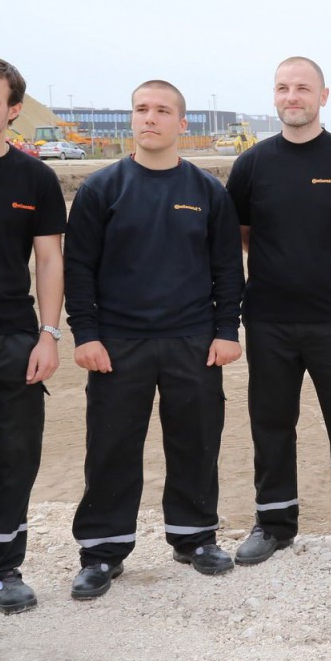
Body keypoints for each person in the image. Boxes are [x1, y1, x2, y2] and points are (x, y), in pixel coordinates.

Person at [65, 80, 244, 598]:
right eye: (141, 109)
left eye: (162, 110)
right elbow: (79, 268)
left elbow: (227, 268)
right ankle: (102, 551)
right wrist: (86, 335)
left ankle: (195, 538)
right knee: (111, 447)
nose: (150, 118)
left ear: (181, 124)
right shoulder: (103, 188)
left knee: (195, 441)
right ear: (132, 118)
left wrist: (227, 331)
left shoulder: (206, 190)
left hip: (193, 341)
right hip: (119, 344)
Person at [226, 57, 331, 566]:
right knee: (271, 422)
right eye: (283, 88)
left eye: (302, 88)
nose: (292, 96)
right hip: (269, 319)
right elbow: (241, 233)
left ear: (323, 96)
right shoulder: (252, 164)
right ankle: (273, 524)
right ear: (274, 96)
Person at [0, 57, 64, 632]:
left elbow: (48, 260)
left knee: (10, 460)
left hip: (12, 340)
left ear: (14, 111)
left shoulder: (35, 179)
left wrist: (49, 333)